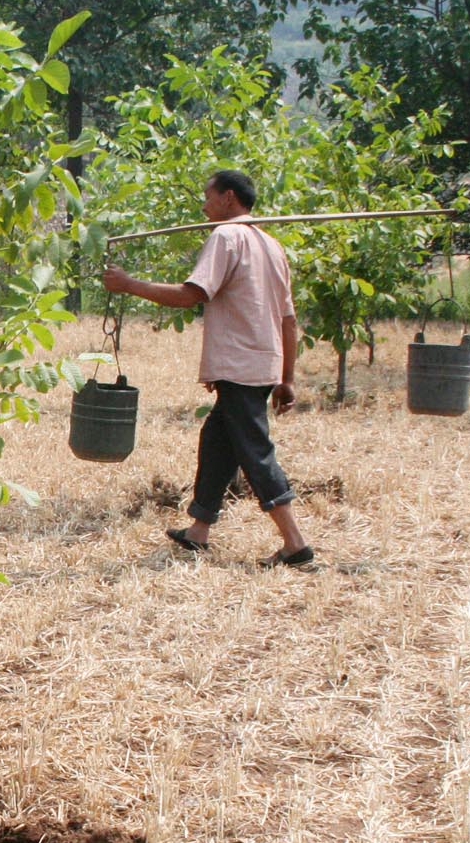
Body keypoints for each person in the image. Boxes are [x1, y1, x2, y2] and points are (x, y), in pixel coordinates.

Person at [103, 169, 314, 568]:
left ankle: (295, 544)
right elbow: (288, 320)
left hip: (240, 365)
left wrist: (129, 284)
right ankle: (199, 531)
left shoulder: (226, 237)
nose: (203, 206)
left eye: (208, 196)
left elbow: (191, 295)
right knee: (217, 441)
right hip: (259, 364)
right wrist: (285, 378)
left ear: (228, 198)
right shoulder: (272, 245)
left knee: (254, 452)